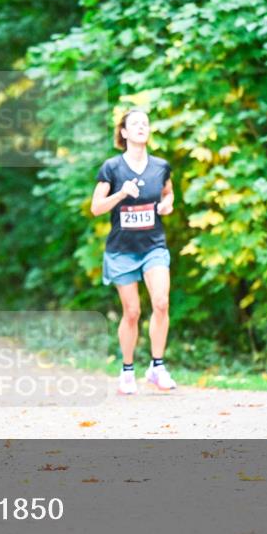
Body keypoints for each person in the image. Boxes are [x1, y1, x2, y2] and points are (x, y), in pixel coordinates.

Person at [90, 108, 177, 394]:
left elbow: (168, 193)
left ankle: (157, 366)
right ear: (124, 132)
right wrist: (122, 193)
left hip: (153, 246)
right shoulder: (112, 168)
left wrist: (168, 205)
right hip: (122, 250)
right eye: (135, 123)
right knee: (132, 311)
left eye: (145, 123)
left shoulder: (161, 166)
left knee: (161, 303)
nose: (141, 127)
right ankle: (127, 371)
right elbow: (96, 208)